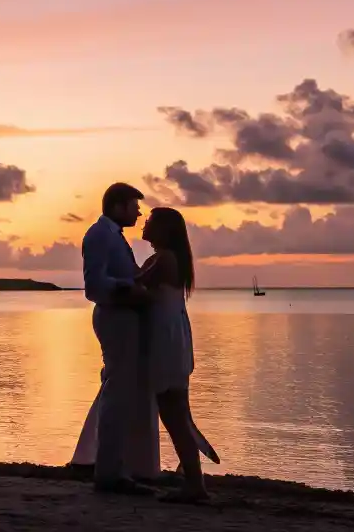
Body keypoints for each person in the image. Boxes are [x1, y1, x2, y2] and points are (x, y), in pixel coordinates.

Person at [78, 182, 160, 495]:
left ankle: (118, 465)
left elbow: (118, 276)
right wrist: (132, 289)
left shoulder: (114, 236)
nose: (139, 212)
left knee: (124, 393)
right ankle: (109, 471)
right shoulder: (99, 234)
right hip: (115, 317)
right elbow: (95, 285)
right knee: (117, 394)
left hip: (124, 316)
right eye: (134, 206)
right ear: (117, 206)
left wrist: (140, 278)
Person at [138, 206, 217, 502]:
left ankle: (195, 485)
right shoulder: (172, 259)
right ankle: (190, 471)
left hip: (166, 340)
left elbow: (134, 284)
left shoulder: (164, 259)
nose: (144, 223)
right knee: (179, 411)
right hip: (175, 336)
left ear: (164, 229)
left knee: (172, 414)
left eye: (151, 220)